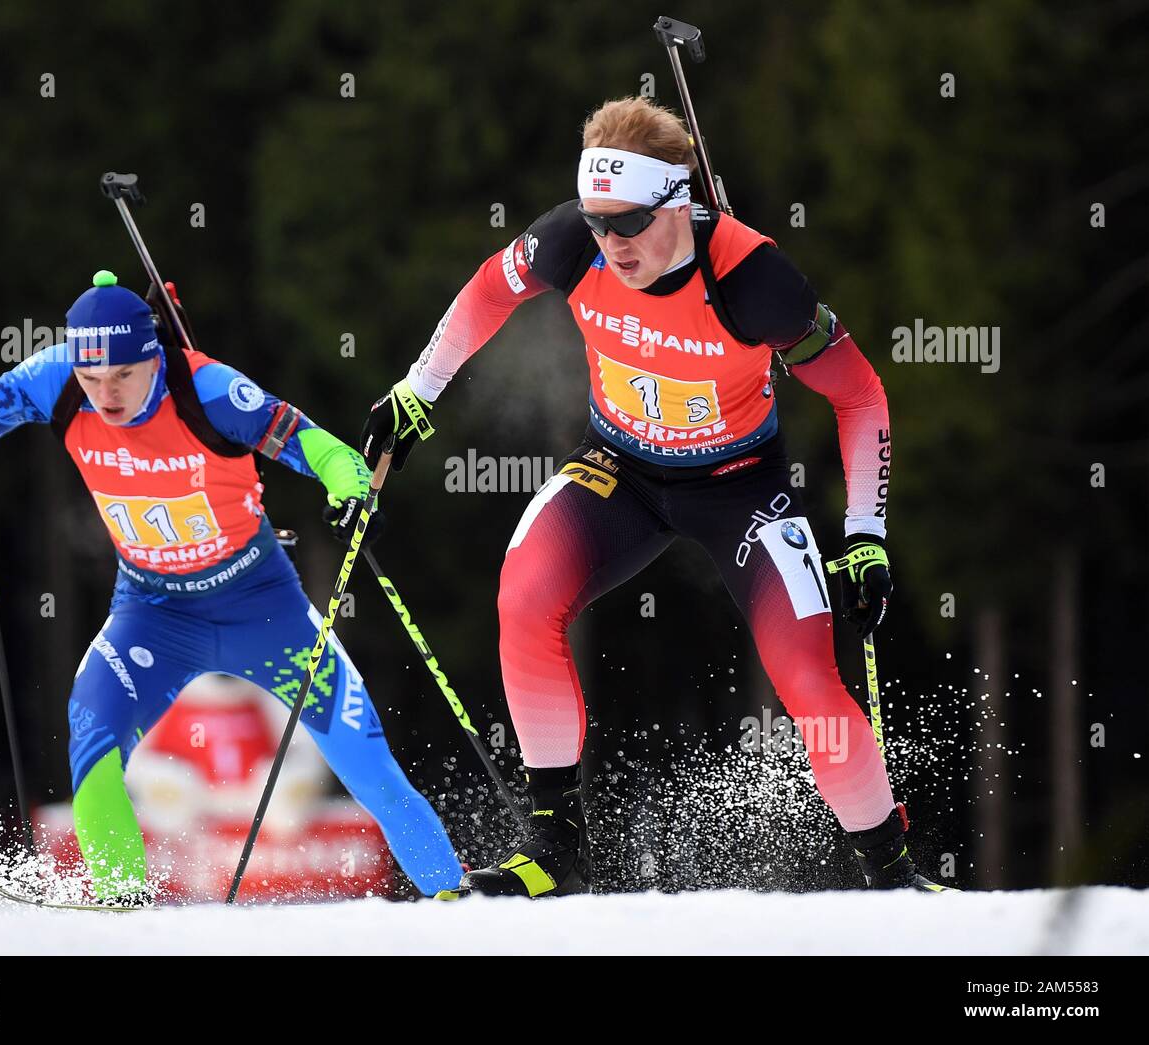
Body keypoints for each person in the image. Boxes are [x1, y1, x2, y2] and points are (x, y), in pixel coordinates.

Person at [362, 97, 949, 895]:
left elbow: (860, 394)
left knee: (807, 676)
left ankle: (896, 879)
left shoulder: (751, 278)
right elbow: (486, 292)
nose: (610, 243)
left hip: (739, 487)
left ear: (679, 201)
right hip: (621, 472)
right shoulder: (572, 237)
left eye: (629, 224)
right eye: (598, 221)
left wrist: (866, 532)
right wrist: (418, 389)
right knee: (524, 596)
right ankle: (554, 854)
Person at [0, 241, 462, 902]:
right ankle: (122, 905)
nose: (106, 394)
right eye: (93, 378)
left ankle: (452, 901)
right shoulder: (57, 378)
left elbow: (321, 447)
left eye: (123, 375)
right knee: (91, 732)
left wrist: (348, 487)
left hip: (264, 609)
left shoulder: (209, 390)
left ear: (154, 359)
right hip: (153, 612)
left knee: (369, 768)